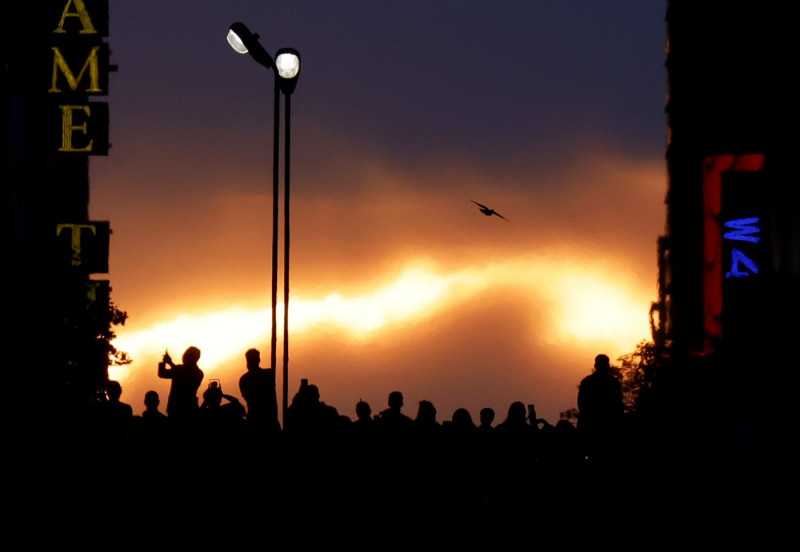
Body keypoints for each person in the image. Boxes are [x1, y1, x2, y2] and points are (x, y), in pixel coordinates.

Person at [577, 353, 625, 461]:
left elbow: (582, 405)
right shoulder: (613, 383)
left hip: (597, 429)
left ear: (595, 366)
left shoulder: (587, 382)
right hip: (602, 430)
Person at [157, 346, 204, 423]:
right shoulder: (180, 369)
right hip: (176, 408)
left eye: (186, 355)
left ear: (193, 358)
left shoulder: (198, 373)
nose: (183, 357)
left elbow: (184, 375)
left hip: (187, 408)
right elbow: (162, 374)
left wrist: (170, 362)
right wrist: (165, 362)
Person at [238, 348, 280, 433]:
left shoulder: (266, 374)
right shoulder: (247, 379)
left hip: (266, 419)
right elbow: (250, 399)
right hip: (258, 420)